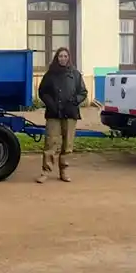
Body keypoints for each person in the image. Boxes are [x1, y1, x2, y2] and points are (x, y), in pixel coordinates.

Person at [36, 47, 88, 183]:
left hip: (70, 114)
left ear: (69, 58)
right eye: (60, 56)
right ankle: (45, 171)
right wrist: (50, 103)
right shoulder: (50, 74)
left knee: (68, 144)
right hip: (53, 114)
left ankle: (64, 171)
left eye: (65, 56)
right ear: (56, 58)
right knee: (50, 143)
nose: (63, 59)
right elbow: (42, 91)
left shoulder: (75, 74)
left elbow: (83, 92)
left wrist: (75, 101)